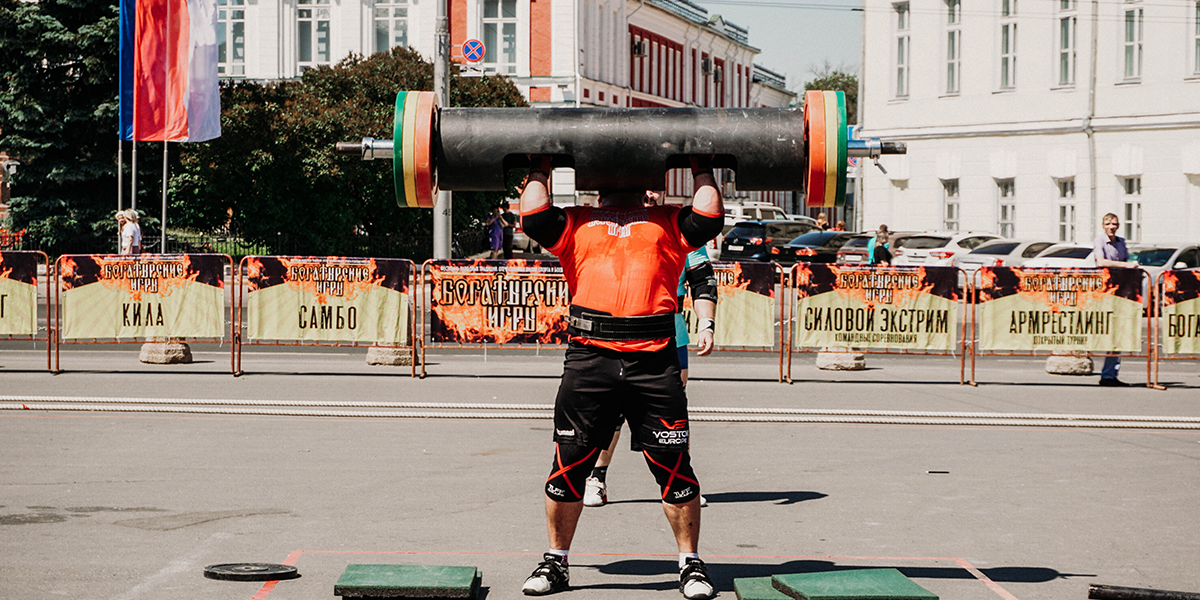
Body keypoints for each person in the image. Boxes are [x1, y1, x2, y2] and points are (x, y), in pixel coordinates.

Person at [518, 155, 722, 599]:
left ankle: (690, 564)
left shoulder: (670, 222)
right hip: (591, 362)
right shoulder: (574, 221)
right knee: (568, 466)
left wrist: (702, 163)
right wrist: (540, 164)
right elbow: (533, 215)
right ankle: (556, 562)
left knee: (674, 468)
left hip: (654, 365)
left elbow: (708, 213)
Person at [583, 192, 718, 510]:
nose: (650, 196)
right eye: (643, 192)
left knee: (671, 415)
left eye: (653, 190)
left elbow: (702, 279)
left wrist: (706, 324)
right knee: (612, 412)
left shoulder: (681, 227)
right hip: (616, 332)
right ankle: (597, 478)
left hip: (670, 332)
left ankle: (678, 479)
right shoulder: (608, 225)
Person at [1093, 212, 1137, 386]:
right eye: (1108, 224)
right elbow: (1101, 262)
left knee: (1116, 333)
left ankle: (1110, 375)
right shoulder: (1100, 241)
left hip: (1119, 293)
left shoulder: (1121, 242)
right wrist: (1126, 265)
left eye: (1115, 224)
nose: (1112, 227)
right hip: (1102, 291)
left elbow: (1126, 260)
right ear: (1103, 225)